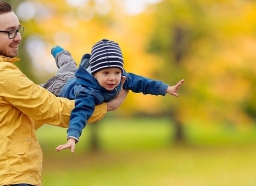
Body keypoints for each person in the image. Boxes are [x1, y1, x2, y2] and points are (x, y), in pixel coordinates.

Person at [0, 2, 127, 186]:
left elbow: (25, 118)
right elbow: (52, 109)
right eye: (10, 32)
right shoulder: (0, 74)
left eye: (18, 30)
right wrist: (106, 107)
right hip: (12, 180)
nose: (18, 37)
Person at [41, 39, 185, 153]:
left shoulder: (122, 78)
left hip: (76, 77)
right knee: (56, 77)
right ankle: (59, 52)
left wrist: (166, 88)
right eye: (106, 73)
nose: (112, 78)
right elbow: (80, 113)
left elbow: (143, 83)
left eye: (116, 72)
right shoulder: (88, 93)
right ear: (94, 73)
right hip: (61, 87)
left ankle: (61, 53)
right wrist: (72, 137)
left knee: (70, 66)